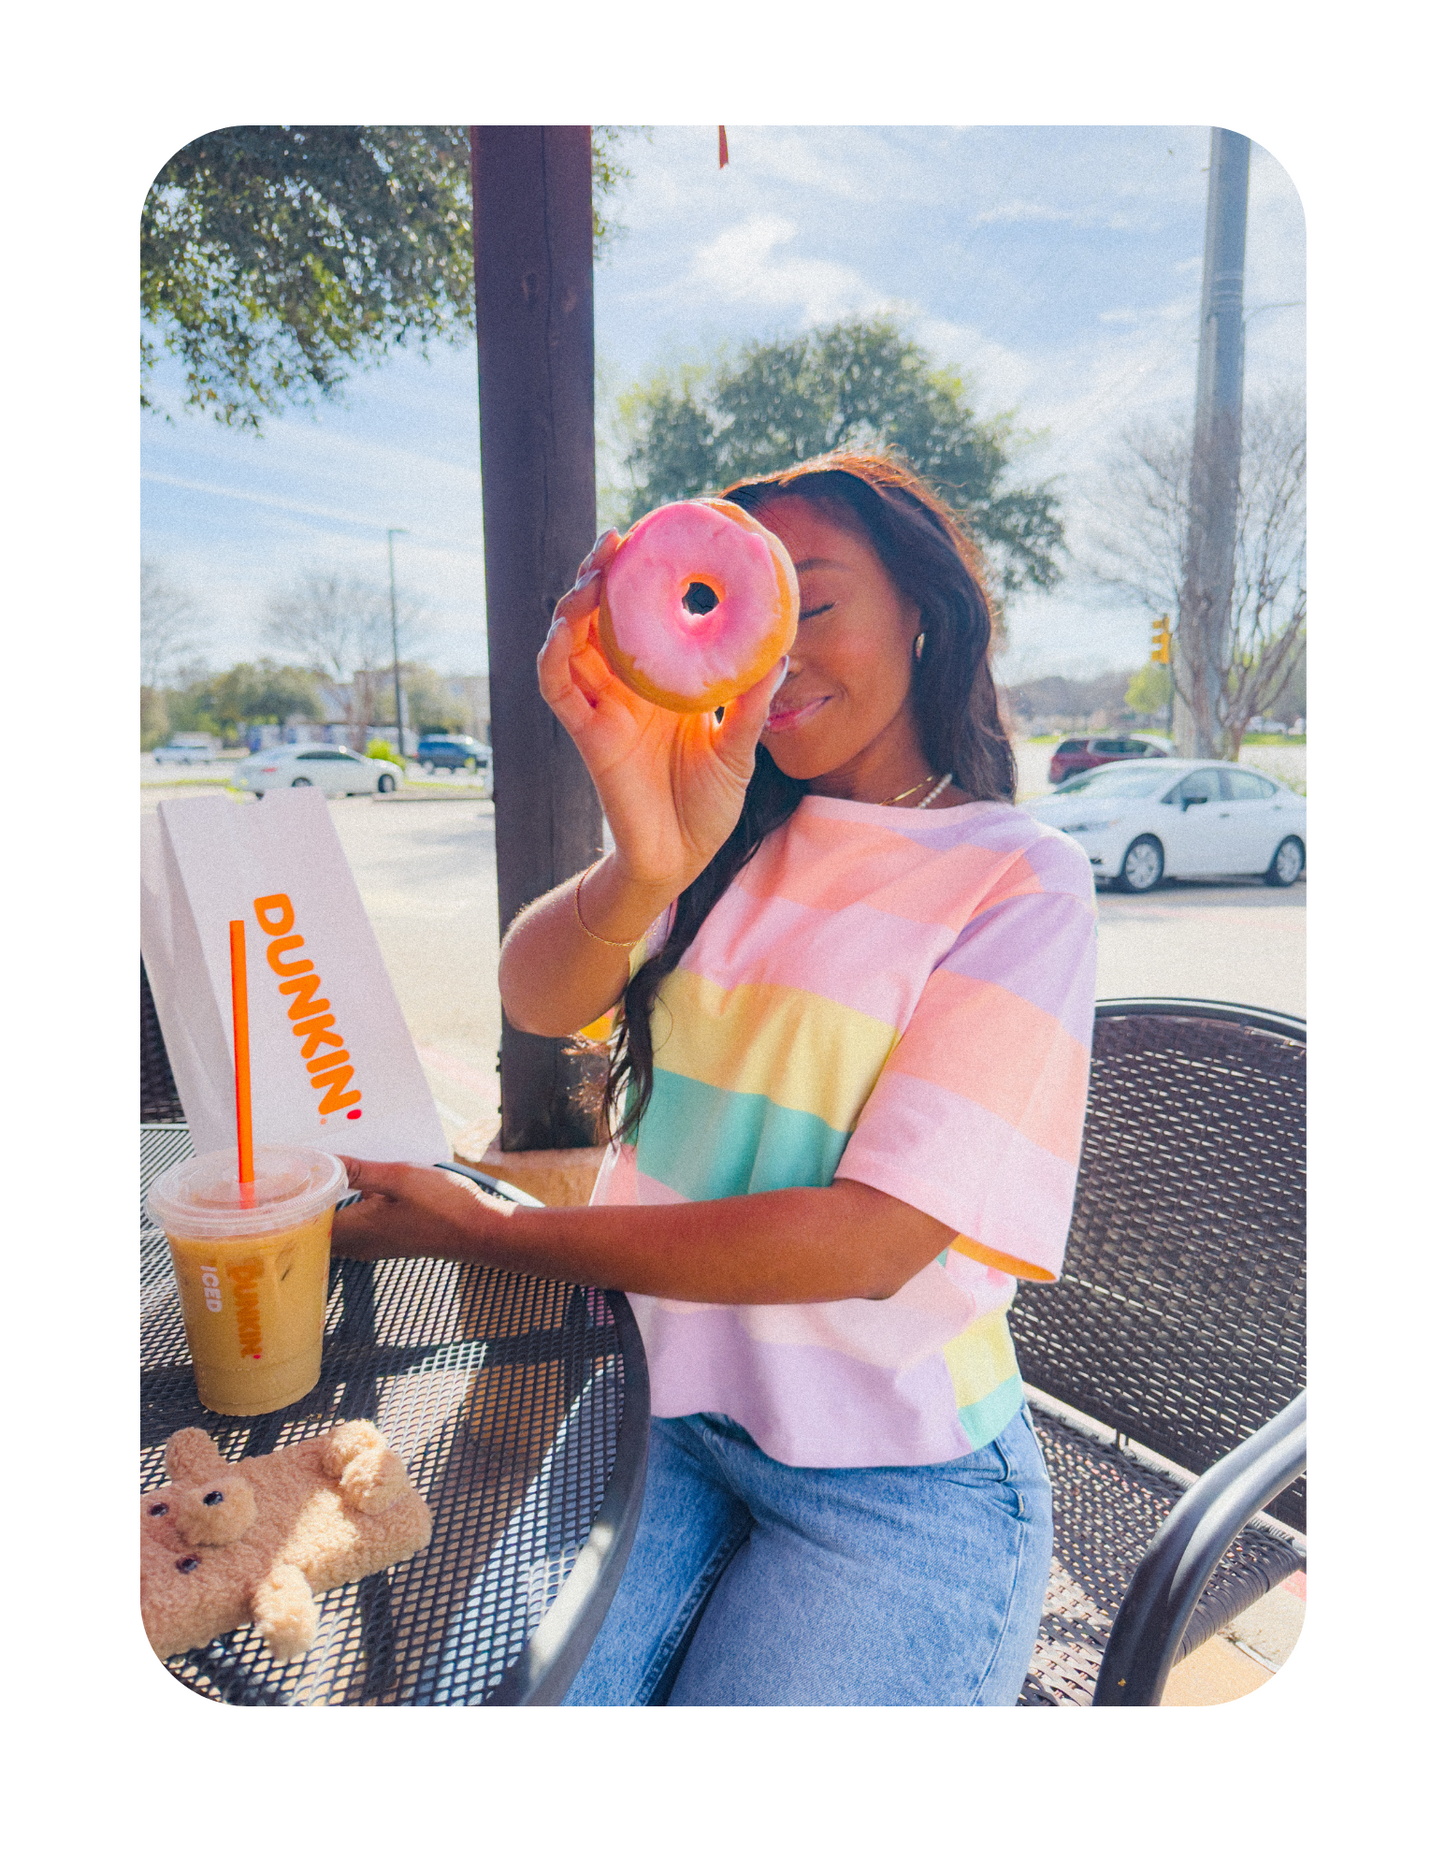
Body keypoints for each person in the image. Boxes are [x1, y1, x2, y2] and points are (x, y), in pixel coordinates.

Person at [332, 451, 1097, 1706]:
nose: (780, 652)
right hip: (666, 1416)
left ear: (921, 607)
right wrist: (645, 848)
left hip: (896, 1474)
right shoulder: (727, 828)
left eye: (818, 602)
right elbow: (537, 997)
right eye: (754, 617)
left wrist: (499, 1234)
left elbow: (871, 1240)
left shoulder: (1016, 876)